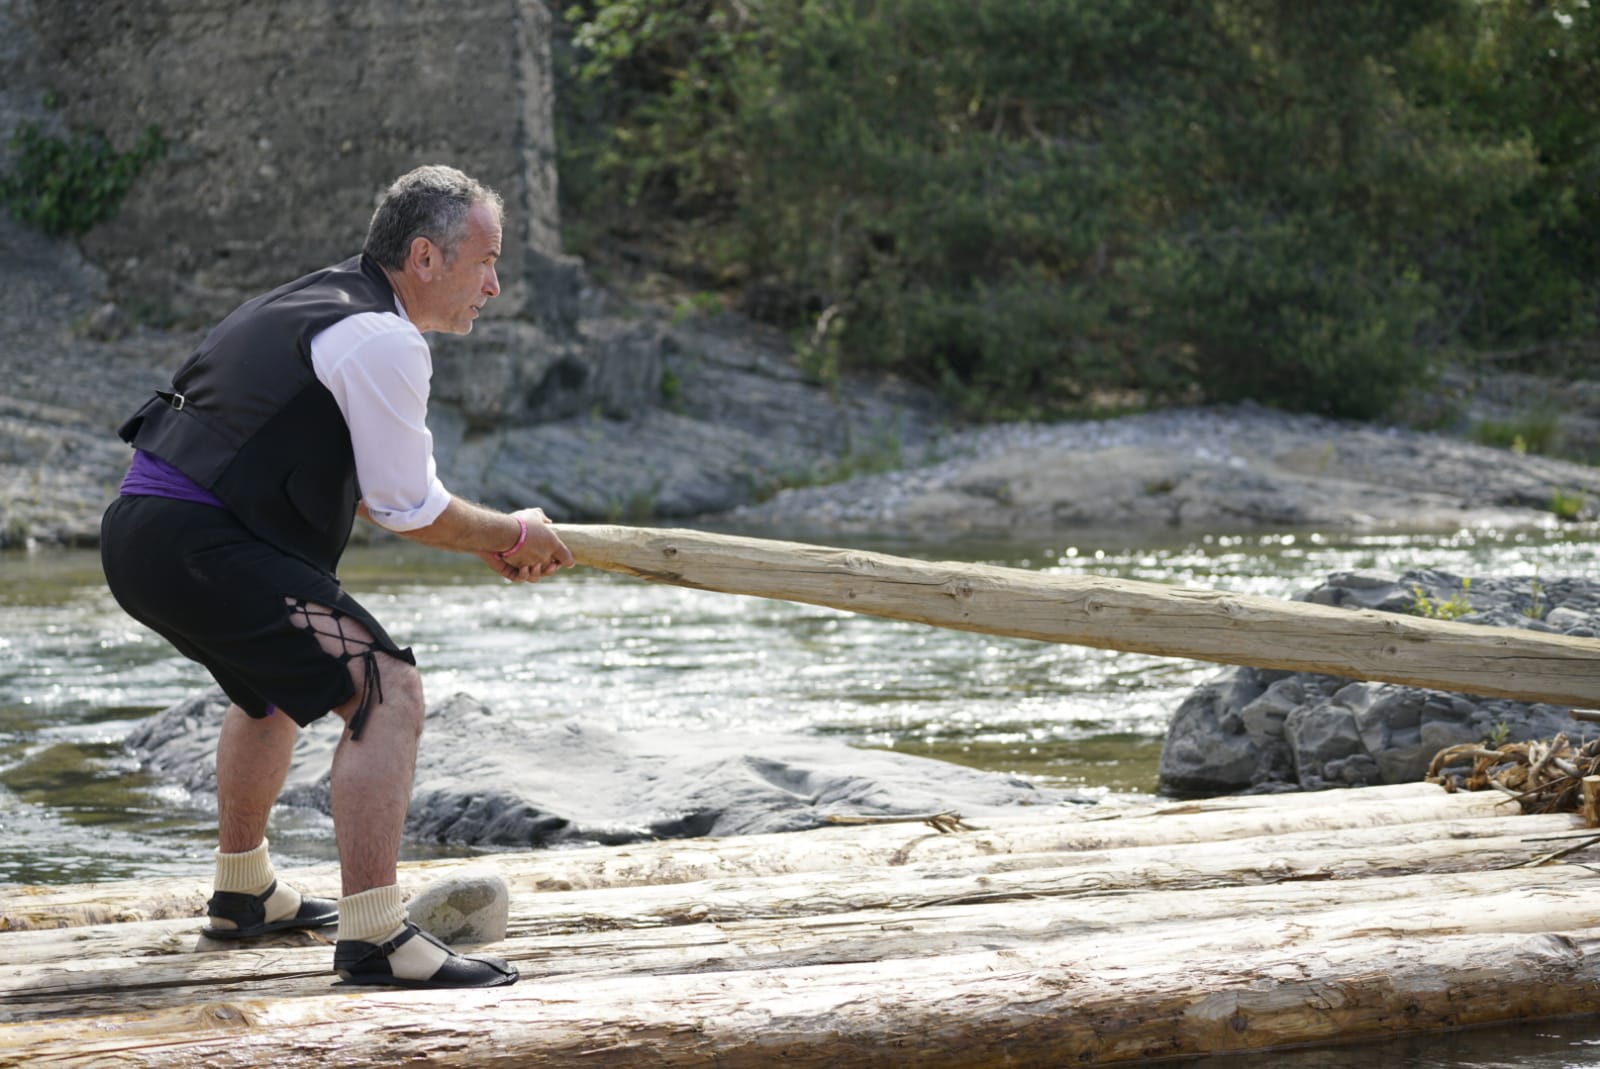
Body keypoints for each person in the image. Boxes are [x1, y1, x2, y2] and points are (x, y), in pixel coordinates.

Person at [100, 165, 573, 989]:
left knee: (271, 689)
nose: (494, 286)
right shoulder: (383, 338)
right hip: (196, 542)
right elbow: (409, 508)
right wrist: (518, 532)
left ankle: (245, 891)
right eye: (486, 261)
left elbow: (342, 486)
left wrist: (494, 537)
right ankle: (377, 938)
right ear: (425, 257)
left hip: (144, 534)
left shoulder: (324, 301)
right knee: (386, 689)